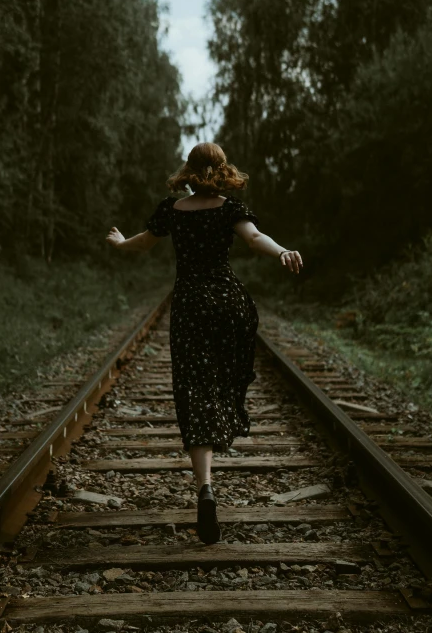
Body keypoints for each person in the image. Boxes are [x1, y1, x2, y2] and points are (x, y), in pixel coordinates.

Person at [106, 142, 303, 545]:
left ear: (188, 171)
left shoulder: (173, 210)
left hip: (191, 306)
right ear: (222, 170)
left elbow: (143, 242)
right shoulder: (229, 208)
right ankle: (225, 415)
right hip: (228, 303)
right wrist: (283, 251)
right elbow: (254, 238)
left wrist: (120, 242)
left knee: (195, 390)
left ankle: (205, 488)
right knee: (222, 381)